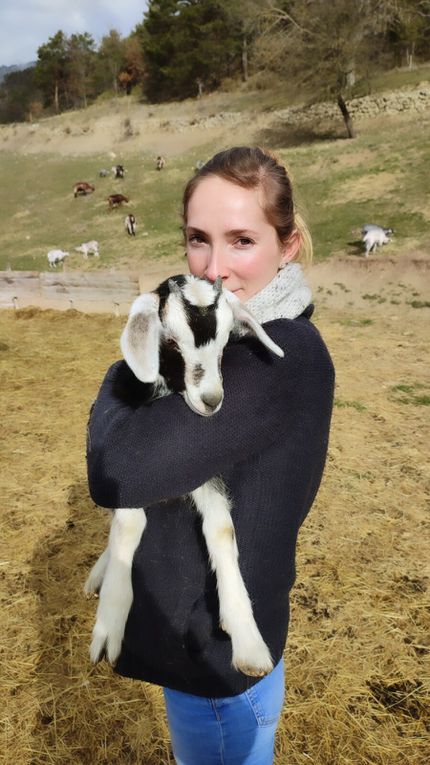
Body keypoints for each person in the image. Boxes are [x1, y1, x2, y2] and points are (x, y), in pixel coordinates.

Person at [86, 146, 335, 765]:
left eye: (243, 240)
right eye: (199, 239)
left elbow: (120, 469)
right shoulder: (227, 340)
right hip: (196, 642)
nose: (215, 269)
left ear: (290, 244)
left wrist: (121, 375)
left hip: (218, 662)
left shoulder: (278, 354)